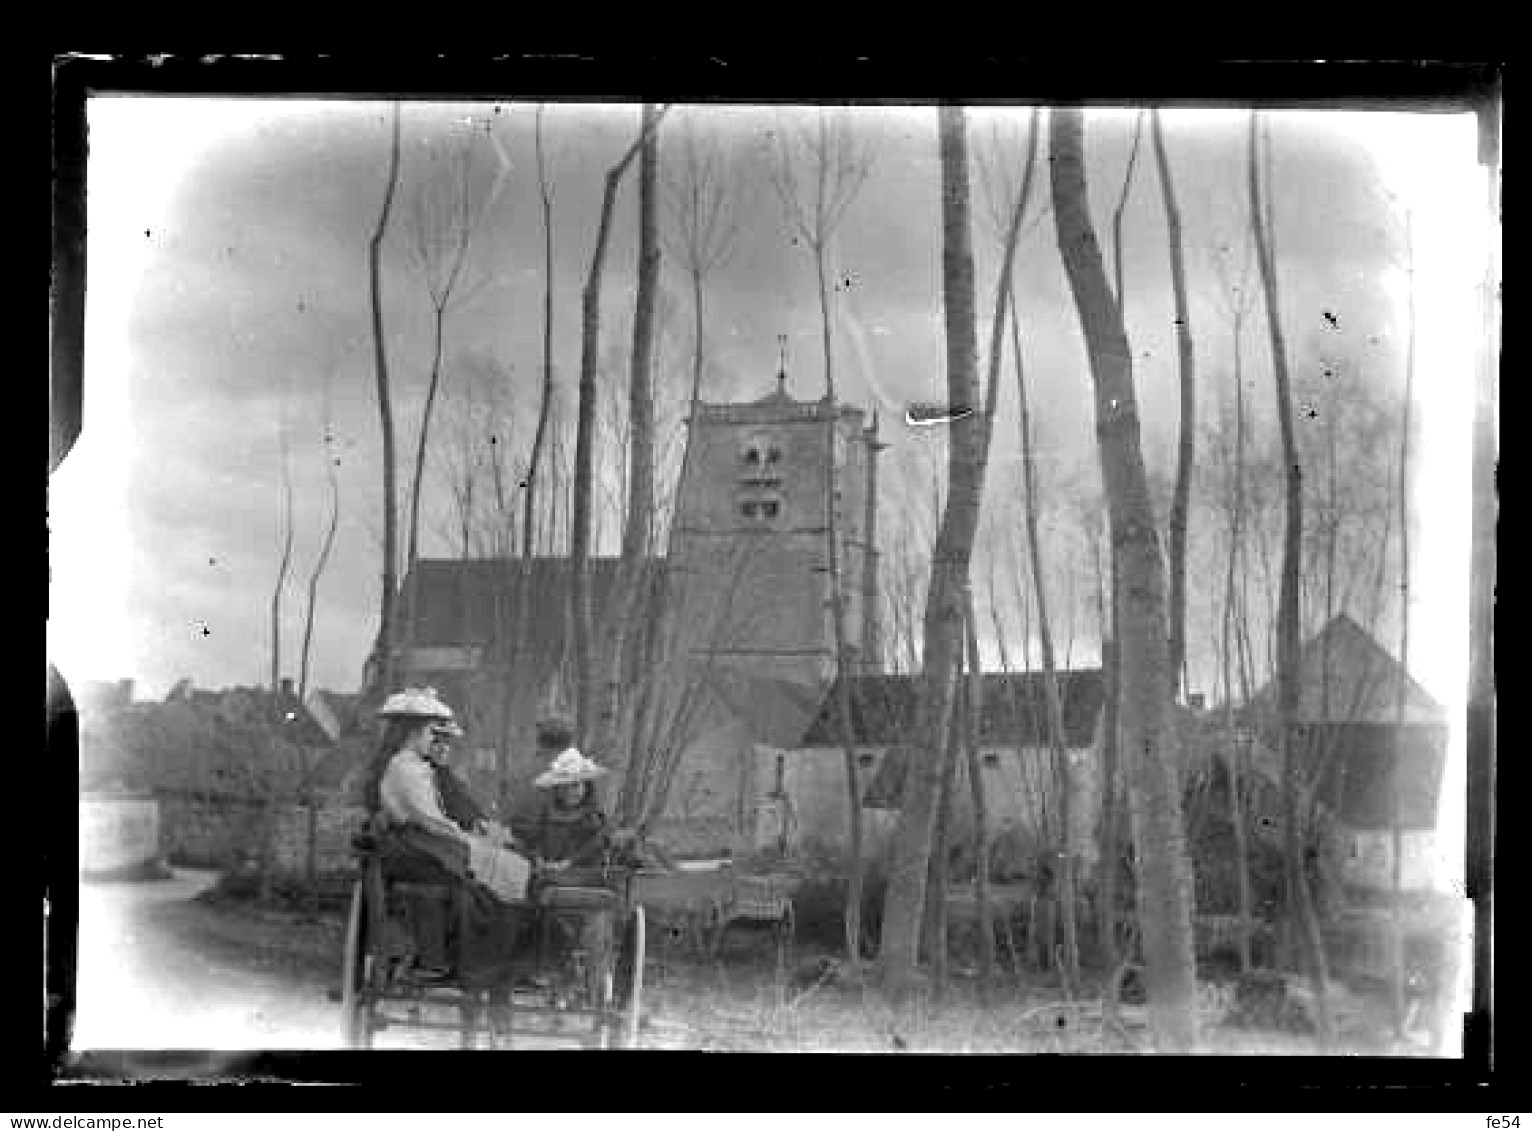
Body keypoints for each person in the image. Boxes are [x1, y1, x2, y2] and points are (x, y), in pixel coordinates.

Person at [362, 687, 531, 982]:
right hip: (419, 846)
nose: (434, 739)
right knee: (507, 869)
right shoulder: (406, 769)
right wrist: (468, 840)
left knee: (504, 867)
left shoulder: (413, 766)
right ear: (413, 732)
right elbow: (431, 821)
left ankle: (488, 952)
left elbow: (440, 818)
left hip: (423, 842)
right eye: (431, 732)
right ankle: (487, 957)